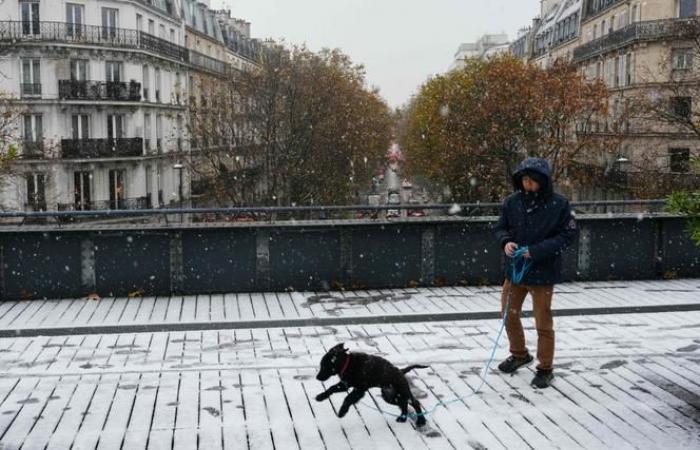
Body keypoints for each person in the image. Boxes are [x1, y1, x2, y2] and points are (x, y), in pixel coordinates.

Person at [492, 157, 578, 388]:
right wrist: (506, 242)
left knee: (543, 322)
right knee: (508, 314)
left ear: (542, 181)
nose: (527, 185)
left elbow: (567, 236)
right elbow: (500, 227)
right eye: (524, 180)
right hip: (516, 272)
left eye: (531, 181)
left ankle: (545, 367)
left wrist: (536, 251)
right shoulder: (512, 202)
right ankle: (520, 354)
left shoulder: (559, 204)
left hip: (543, 273)